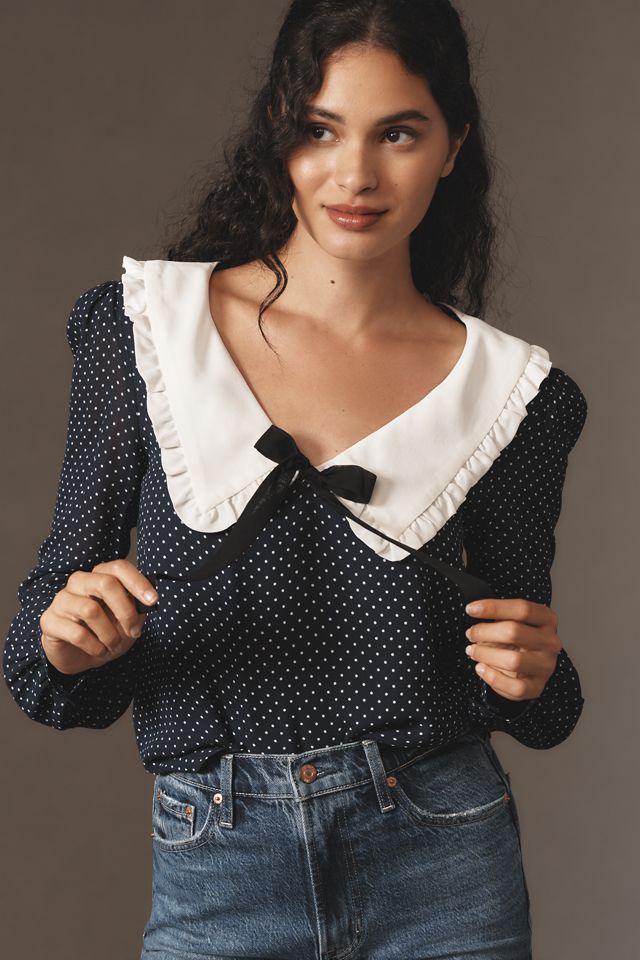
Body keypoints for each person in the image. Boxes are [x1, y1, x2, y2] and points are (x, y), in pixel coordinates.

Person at [3, 1, 588, 958]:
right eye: (320, 130)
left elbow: (532, 679)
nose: (355, 175)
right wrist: (69, 638)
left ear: (453, 146)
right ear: (278, 132)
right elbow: (44, 649)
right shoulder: (147, 333)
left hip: (443, 862)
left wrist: (529, 672)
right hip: (219, 860)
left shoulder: (515, 394)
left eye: (398, 133)